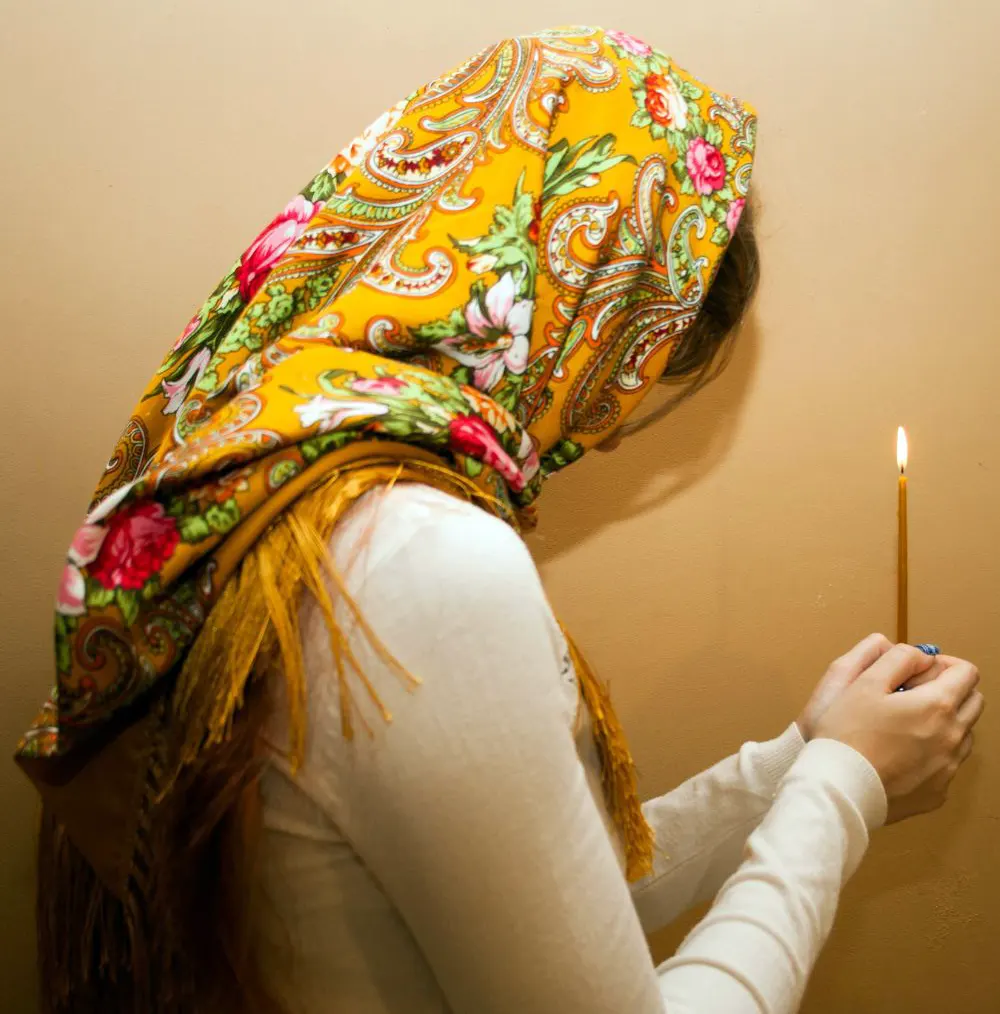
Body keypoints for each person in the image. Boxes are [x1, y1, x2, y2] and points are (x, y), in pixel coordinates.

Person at [17, 26, 983, 1014]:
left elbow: (531, 904)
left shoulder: (286, 472)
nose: (601, 437)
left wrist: (795, 759)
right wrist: (842, 786)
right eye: (627, 374)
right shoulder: (418, 561)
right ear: (586, 302)